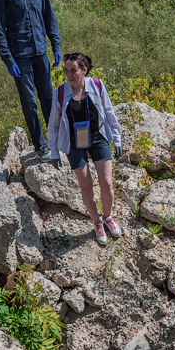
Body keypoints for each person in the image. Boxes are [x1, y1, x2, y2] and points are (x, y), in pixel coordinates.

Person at [0, 0, 62, 157]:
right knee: (30, 102)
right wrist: (8, 60)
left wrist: (55, 44)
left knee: (49, 98)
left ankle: (57, 139)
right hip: (20, 57)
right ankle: (40, 145)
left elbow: (49, 15)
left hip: (40, 51)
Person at [47, 52, 124, 246]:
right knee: (86, 186)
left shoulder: (97, 85)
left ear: (84, 70)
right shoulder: (60, 93)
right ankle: (97, 223)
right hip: (73, 142)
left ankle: (108, 217)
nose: (69, 75)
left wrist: (117, 139)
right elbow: (53, 124)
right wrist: (54, 151)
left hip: (97, 136)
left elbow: (109, 111)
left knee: (107, 183)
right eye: (66, 70)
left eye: (73, 70)